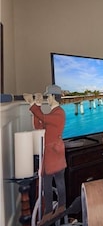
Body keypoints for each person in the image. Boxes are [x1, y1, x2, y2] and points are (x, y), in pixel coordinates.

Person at [23, 85, 67, 219]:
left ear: (54, 97)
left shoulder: (59, 113)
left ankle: (58, 208)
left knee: (56, 182)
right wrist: (37, 104)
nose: (47, 98)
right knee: (47, 183)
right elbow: (39, 125)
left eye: (48, 96)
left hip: (54, 153)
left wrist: (33, 104)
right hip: (50, 154)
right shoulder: (54, 113)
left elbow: (43, 118)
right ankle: (50, 210)